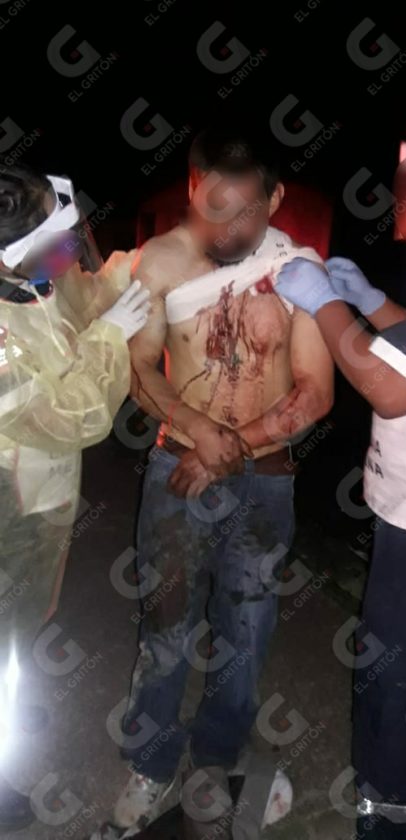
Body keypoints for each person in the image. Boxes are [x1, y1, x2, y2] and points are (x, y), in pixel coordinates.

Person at [111, 125, 334, 838]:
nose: (230, 231)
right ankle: (149, 764)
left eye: (246, 213)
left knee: (247, 630)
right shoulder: (160, 262)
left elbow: (315, 391)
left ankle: (215, 757)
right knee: (166, 626)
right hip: (177, 471)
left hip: (264, 481)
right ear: (192, 189)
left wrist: (225, 448)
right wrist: (195, 429)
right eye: (215, 210)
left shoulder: (298, 269)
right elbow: (137, 368)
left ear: (276, 198)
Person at [275, 80, 406, 840]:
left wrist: (322, 305)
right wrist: (367, 306)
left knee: (398, 683)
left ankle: (389, 819)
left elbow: (389, 389)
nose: (403, 192)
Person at [0, 163, 150, 831]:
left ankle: (10, 690)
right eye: (52, 247)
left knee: (23, 621)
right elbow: (74, 416)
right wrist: (112, 335)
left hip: (39, 499)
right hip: (10, 505)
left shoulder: (24, 284)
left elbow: (76, 299)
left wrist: (128, 270)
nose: (66, 259)